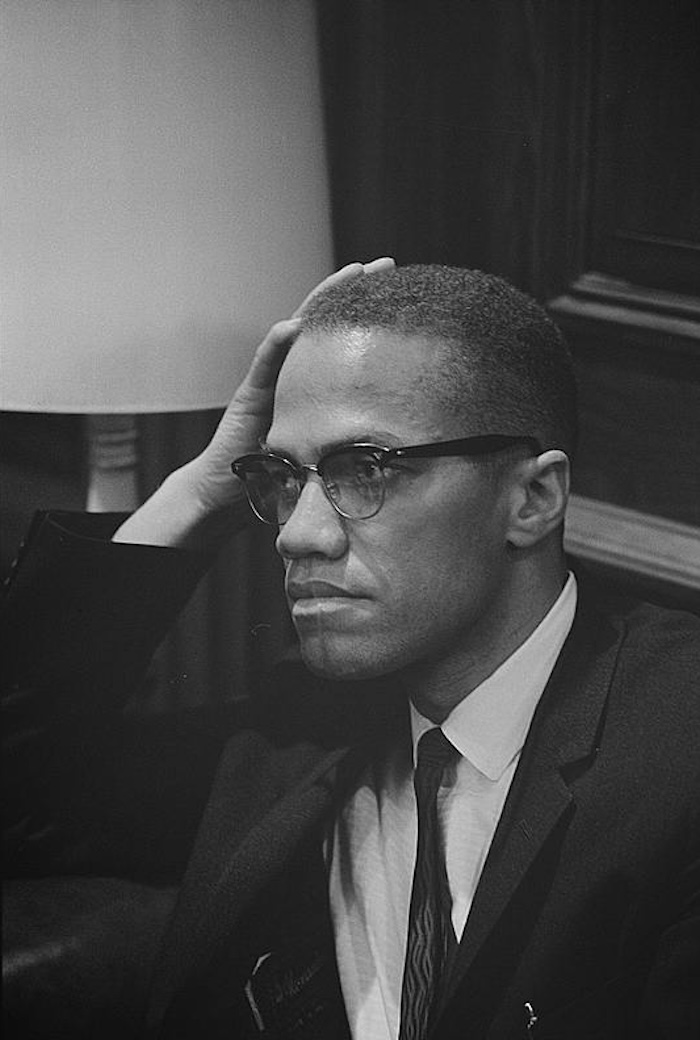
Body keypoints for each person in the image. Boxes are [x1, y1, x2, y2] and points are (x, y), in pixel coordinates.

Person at [3, 260, 699, 1040]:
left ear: (532, 498)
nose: (298, 533)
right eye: (280, 478)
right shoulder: (292, 734)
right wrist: (197, 492)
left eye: (365, 469)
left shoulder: (681, 747)